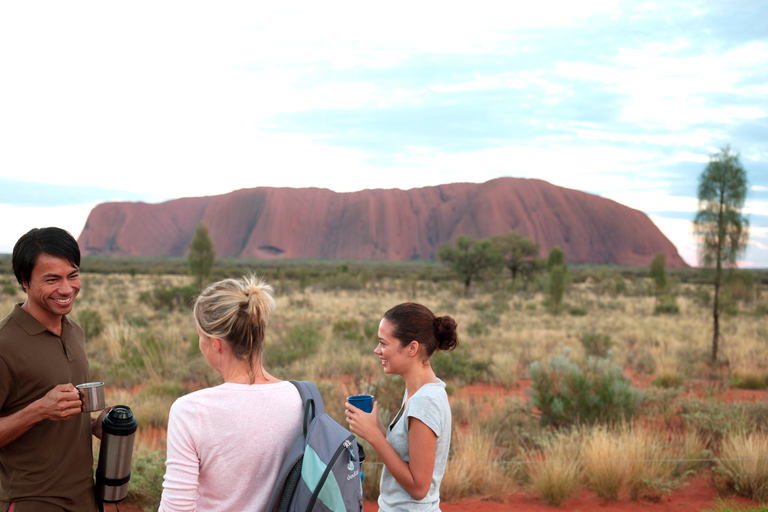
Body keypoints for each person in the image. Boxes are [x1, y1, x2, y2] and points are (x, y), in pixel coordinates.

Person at [158, 275, 303, 512]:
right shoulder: (299, 398)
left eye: (200, 335)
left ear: (215, 343)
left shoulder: (191, 411)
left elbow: (176, 508)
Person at [0, 227, 108, 512]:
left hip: (84, 496)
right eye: (52, 279)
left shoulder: (75, 331)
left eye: (72, 275)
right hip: (32, 501)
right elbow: (41, 410)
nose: (66, 288)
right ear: (25, 281)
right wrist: (39, 410)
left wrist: (94, 426)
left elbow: (60, 418)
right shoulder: (4, 344)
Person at [345, 302, 459, 511]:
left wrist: (373, 436)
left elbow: (418, 487)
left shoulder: (424, 402)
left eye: (383, 343)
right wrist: (377, 427)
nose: (377, 350)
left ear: (412, 348)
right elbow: (405, 453)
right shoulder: (417, 392)